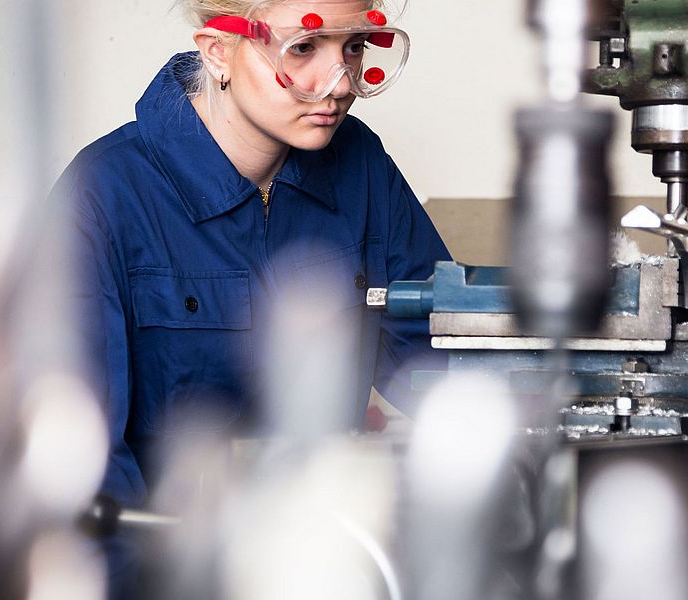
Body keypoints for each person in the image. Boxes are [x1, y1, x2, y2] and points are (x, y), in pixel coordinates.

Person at [54, 0, 450, 595]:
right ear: (218, 52)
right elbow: (83, 465)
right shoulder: (107, 195)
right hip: (168, 571)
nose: (339, 83)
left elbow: (437, 359)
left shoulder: (362, 168)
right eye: (303, 49)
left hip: (330, 565)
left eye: (353, 47)